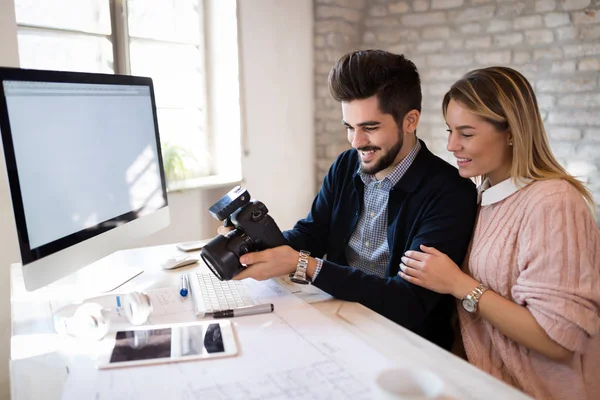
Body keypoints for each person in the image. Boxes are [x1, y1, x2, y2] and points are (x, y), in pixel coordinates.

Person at [222, 49, 478, 350]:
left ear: (410, 121)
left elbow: (408, 302)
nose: (357, 142)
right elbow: (311, 234)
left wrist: (304, 265)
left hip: (405, 344)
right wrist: (255, 243)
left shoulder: (450, 192)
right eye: (349, 128)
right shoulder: (346, 165)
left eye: (370, 128)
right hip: (337, 320)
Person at [399, 66, 600, 399]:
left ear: (511, 132)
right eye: (450, 130)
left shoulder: (553, 202)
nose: (451, 145)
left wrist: (459, 284)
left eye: (466, 133)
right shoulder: (482, 196)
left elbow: (559, 341)